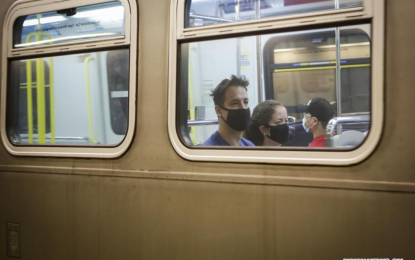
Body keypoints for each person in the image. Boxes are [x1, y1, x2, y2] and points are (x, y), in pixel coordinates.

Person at [203, 75, 254, 146]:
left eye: (245, 102)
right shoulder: (210, 150)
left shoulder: (249, 146)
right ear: (219, 111)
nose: (243, 107)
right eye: (235, 103)